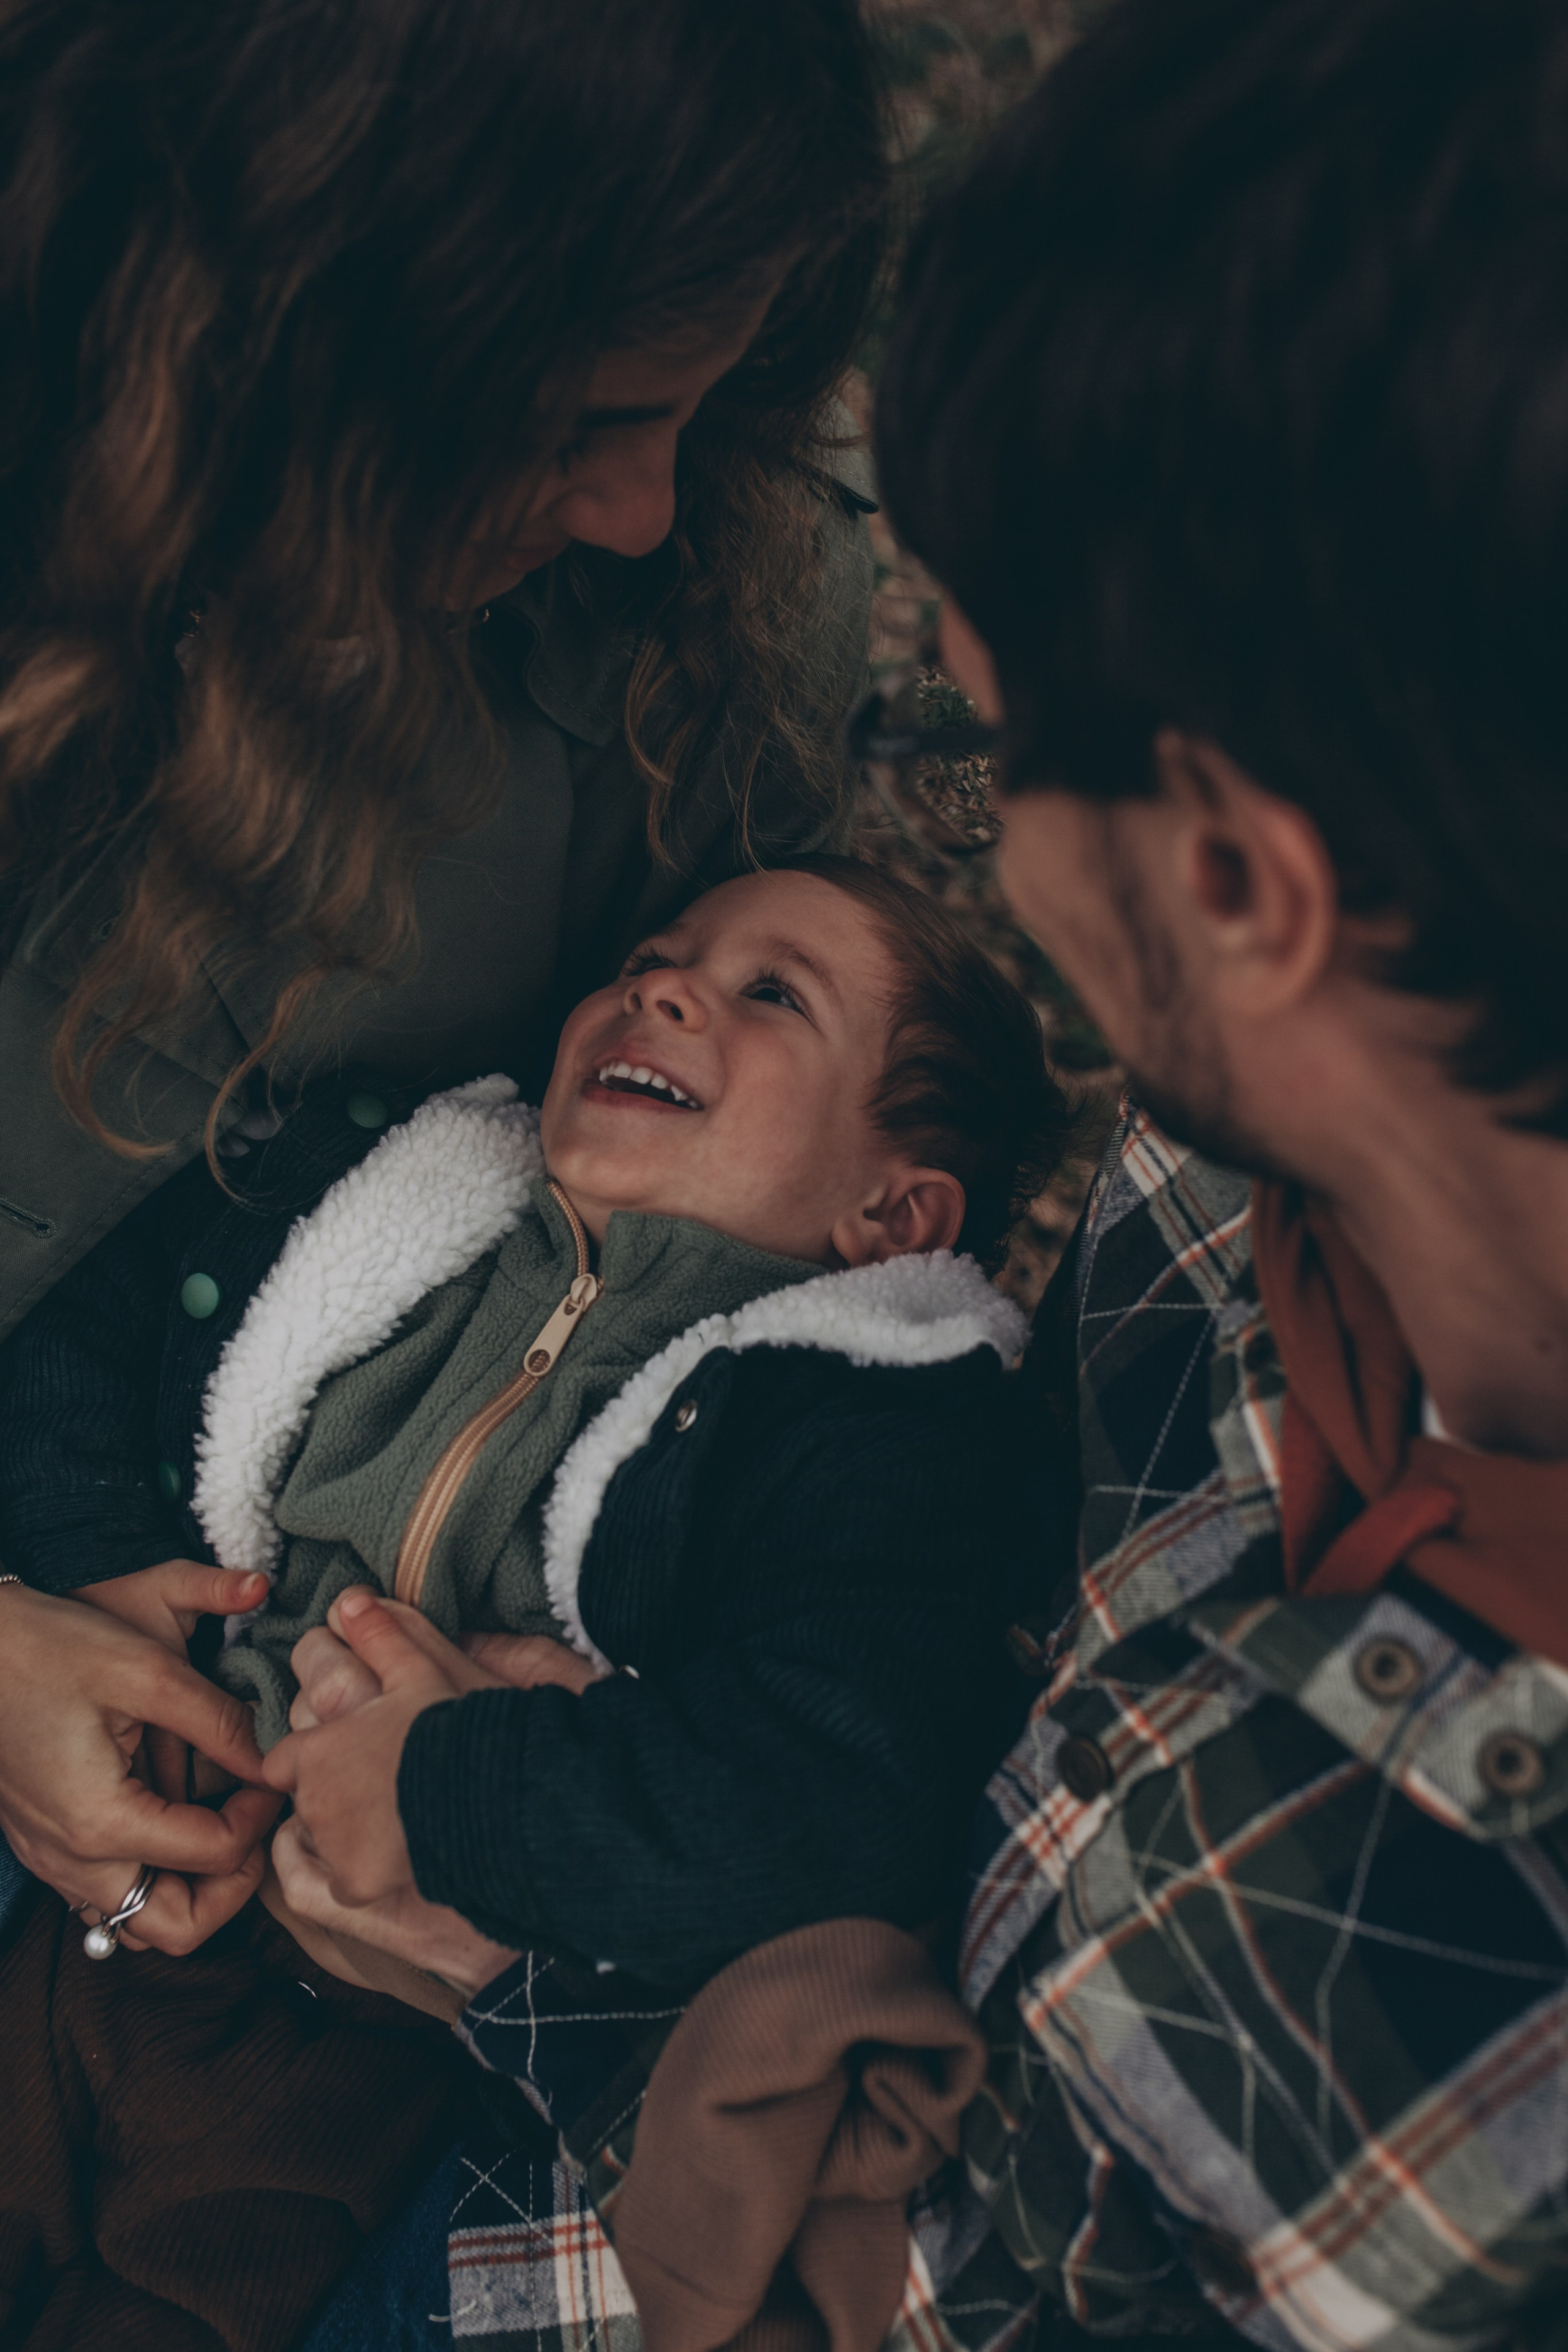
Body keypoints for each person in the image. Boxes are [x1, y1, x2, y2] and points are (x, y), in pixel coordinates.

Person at [0, 0, 883, 1963]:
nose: (647, 508)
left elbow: (665, 1178)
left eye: (686, 417)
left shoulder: (716, 565)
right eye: (572, 426)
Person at [865, 0, 1568, 2342]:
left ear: (1249, 880)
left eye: (981, 743)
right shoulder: (1245, 1159)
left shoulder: (1445, 1990)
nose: (987, 854)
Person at [0, 858, 1066, 2349]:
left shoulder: (857, 1429)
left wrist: (446, 1786)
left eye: (771, 995)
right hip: (77, 1869)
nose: (663, 984)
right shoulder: (392, 1196)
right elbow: (92, 1333)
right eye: (653, 951)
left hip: (345, 2058)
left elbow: (827, 1785)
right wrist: (98, 1558)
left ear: (892, 1216)